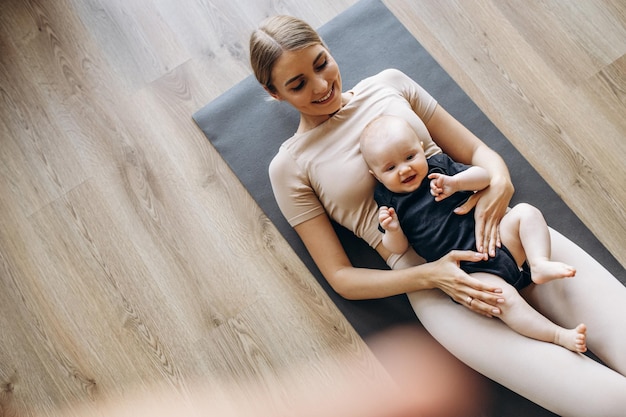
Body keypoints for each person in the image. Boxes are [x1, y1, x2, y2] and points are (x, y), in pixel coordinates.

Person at [249, 14, 626, 416]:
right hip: (445, 289)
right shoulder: (289, 167)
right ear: (274, 93)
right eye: (298, 84)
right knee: (610, 404)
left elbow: (480, 155)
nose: (322, 86)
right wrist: (432, 275)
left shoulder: (390, 85)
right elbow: (341, 278)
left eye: (321, 63)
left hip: (503, 231)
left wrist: (499, 185)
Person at [360, 114, 586, 352]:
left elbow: (485, 177)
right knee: (503, 300)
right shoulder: (388, 201)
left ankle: (539, 263)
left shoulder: (439, 167)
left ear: (421, 148)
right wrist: (392, 229)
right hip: (468, 271)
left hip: (496, 239)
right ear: (376, 175)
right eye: (391, 167)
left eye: (410, 157)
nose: (404, 169)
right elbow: (398, 248)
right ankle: (559, 336)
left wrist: (456, 183)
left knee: (526, 213)